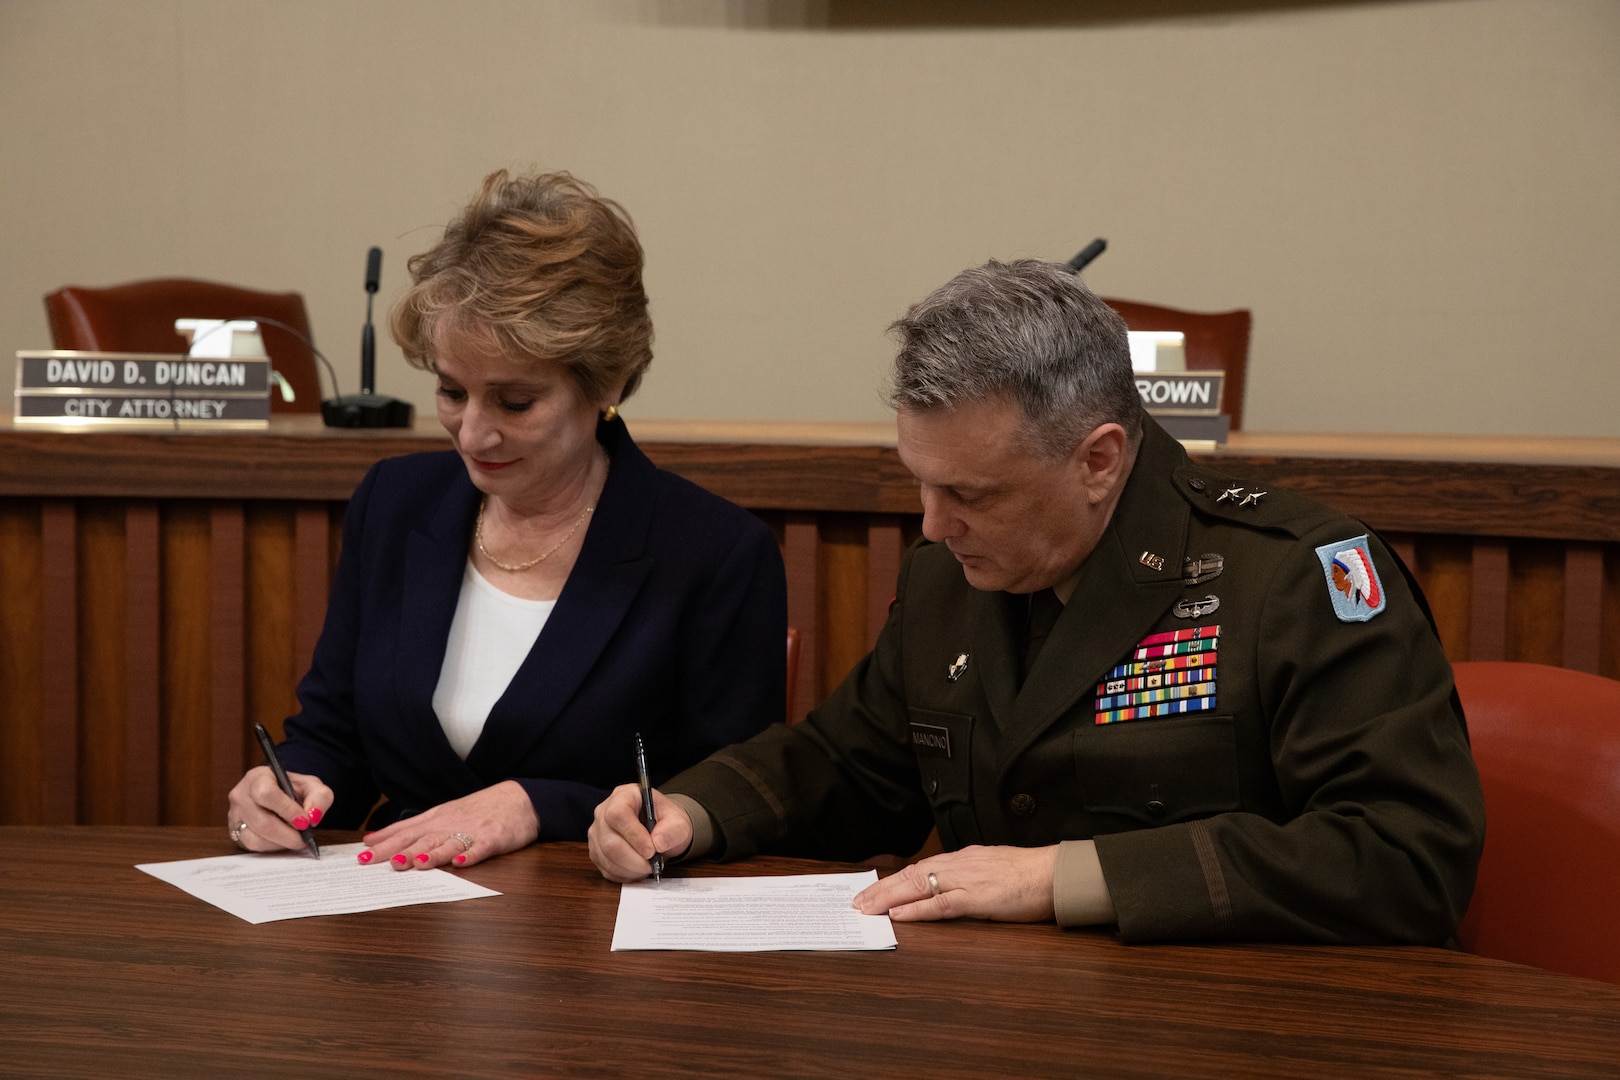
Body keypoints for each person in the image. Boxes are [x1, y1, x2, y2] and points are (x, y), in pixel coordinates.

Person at [590, 258, 1485, 944]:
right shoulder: (952, 573)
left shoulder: (1292, 577)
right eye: (921, 485)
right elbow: (849, 767)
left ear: (1098, 460)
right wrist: (684, 814)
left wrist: (1064, 877)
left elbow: (1404, 856)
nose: (934, 528)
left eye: (972, 495)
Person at [227, 170, 786, 870]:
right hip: (390, 919)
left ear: (606, 383)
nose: (473, 434)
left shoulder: (714, 552)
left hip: (592, 931)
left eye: (515, 402)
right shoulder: (396, 502)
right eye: (451, 391)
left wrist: (536, 802)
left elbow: (730, 798)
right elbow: (336, 734)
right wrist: (291, 787)